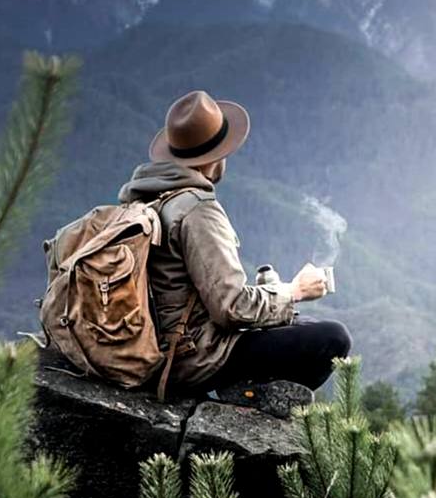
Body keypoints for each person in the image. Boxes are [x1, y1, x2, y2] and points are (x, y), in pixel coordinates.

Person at [117, 89, 352, 413]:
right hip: (193, 358)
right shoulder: (197, 210)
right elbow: (231, 308)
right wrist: (293, 292)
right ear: (215, 157)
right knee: (332, 339)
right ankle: (250, 395)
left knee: (292, 324)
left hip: (154, 346)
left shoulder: (145, 199)